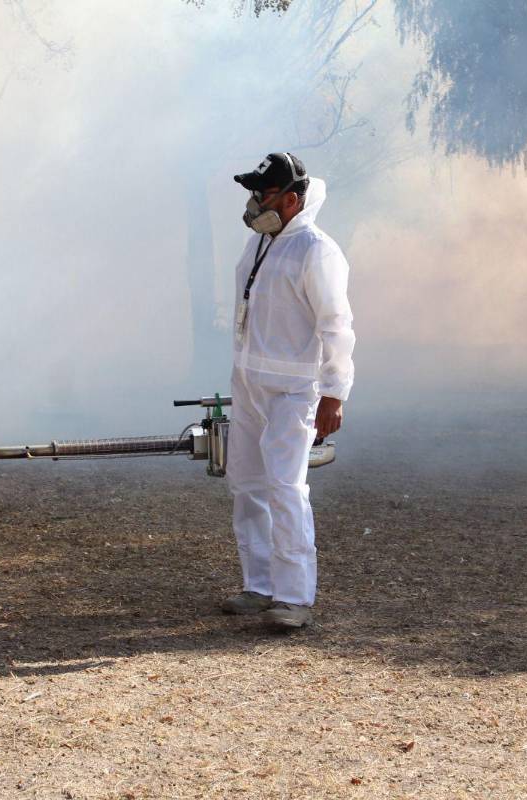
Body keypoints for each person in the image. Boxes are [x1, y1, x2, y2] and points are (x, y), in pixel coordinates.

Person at [221, 152, 355, 630]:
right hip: (249, 384)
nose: (256, 202)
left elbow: (336, 325)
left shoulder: (316, 251)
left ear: (292, 199)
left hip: (294, 390)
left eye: (264, 193)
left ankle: (294, 597)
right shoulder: (259, 242)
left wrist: (334, 393)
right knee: (247, 485)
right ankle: (259, 585)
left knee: (284, 488)